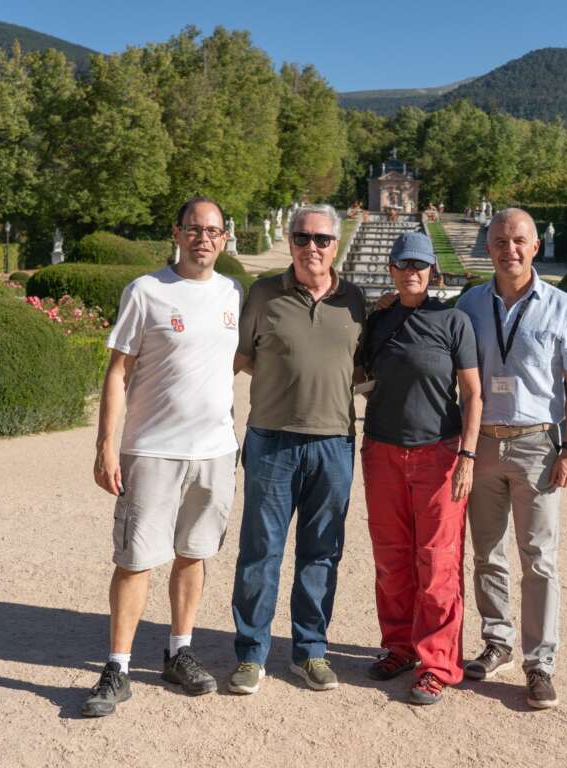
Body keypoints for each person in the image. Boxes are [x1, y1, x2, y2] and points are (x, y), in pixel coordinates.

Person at [82, 197, 241, 717]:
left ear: (224, 238)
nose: (203, 238)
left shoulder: (232, 293)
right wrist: (107, 443)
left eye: (213, 231)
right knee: (135, 560)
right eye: (194, 229)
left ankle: (179, 650)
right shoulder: (147, 291)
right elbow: (117, 371)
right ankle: (118, 665)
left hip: (215, 451)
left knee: (194, 554)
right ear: (176, 233)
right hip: (152, 450)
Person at [455, 208, 567, 710]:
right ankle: (497, 641)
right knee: (486, 553)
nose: (508, 249)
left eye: (518, 240)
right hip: (483, 444)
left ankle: (541, 663)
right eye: (499, 241)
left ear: (534, 246)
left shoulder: (563, 308)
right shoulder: (470, 304)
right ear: (487, 247)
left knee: (539, 559)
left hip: (539, 444)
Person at [229, 203, 366, 695]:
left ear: (335, 243)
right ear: (290, 241)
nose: (313, 247)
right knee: (260, 551)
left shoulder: (356, 299)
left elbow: (365, 368)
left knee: (321, 552)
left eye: (322, 239)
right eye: (303, 238)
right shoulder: (264, 294)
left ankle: (310, 652)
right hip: (272, 440)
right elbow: (241, 357)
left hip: (334, 443)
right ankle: (251, 654)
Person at [360, 232, 482, 706]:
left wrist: (467, 456)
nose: (412, 271)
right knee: (391, 558)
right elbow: (356, 374)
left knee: (437, 563)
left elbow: (471, 394)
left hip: (439, 453)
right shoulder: (379, 321)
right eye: (403, 264)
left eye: (420, 265)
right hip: (383, 451)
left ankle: (438, 664)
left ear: (434, 271)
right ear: (391, 268)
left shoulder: (453, 321)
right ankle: (399, 646)